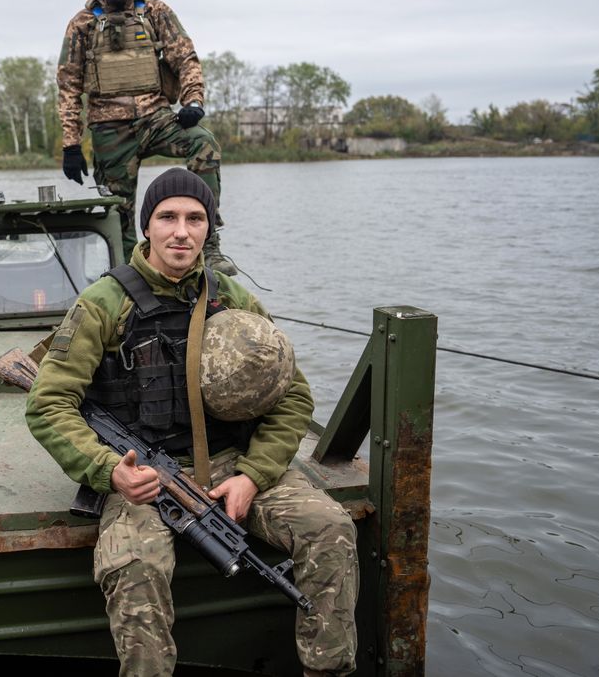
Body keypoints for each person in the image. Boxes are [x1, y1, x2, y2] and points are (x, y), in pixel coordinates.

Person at [25, 168, 358, 677]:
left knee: (331, 527)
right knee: (134, 569)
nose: (181, 231)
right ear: (147, 227)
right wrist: (110, 470)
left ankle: (329, 669)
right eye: (168, 217)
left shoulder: (233, 299)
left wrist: (253, 475)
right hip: (142, 474)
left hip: (232, 461)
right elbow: (49, 405)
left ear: (209, 229)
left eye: (195, 218)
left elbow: (293, 395)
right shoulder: (102, 305)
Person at [56, 0, 236, 276]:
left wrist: (193, 100)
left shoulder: (155, 12)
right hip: (110, 131)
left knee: (203, 142)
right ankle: (131, 282)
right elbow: (68, 85)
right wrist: (71, 143)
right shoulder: (81, 25)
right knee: (119, 215)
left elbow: (185, 57)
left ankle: (209, 249)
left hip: (157, 118)